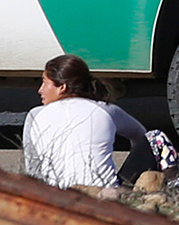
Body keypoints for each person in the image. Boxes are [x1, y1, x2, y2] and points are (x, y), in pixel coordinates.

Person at [23, 54, 158, 189]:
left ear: (62, 87)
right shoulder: (106, 109)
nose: (40, 90)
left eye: (44, 82)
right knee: (156, 138)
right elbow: (142, 135)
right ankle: (164, 186)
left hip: (56, 194)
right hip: (104, 193)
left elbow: (33, 168)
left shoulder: (35, 114)